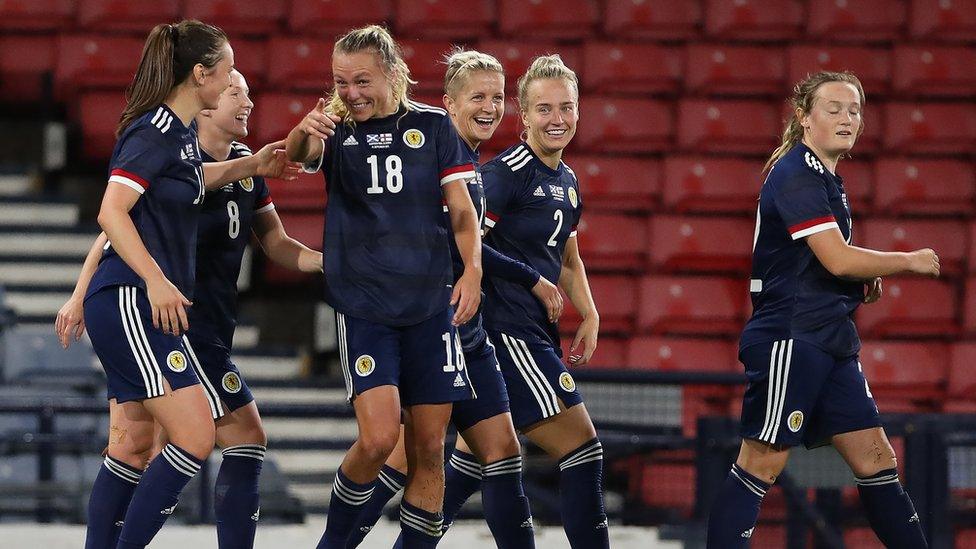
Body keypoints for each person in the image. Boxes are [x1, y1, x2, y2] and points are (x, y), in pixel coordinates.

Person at [57, 69, 320, 549]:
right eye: (233, 91)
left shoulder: (245, 163)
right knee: (243, 436)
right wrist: (79, 293)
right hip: (177, 319)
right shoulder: (174, 157)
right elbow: (114, 225)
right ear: (204, 101)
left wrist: (331, 263)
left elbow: (276, 242)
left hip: (210, 321)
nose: (245, 102)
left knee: (131, 445)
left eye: (248, 93)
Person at [704, 71, 939, 548]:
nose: (847, 118)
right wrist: (905, 262)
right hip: (792, 335)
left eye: (854, 110)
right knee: (761, 462)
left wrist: (857, 280)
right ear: (804, 118)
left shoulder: (827, 179)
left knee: (876, 458)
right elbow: (836, 256)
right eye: (833, 109)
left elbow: (823, 261)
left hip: (829, 336)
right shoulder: (796, 172)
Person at [348, 48, 564, 549]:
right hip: (431, 325)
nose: (489, 107)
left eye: (497, 97)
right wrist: (531, 277)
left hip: (467, 331)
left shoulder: (469, 161)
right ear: (448, 103)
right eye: (477, 98)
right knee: (415, 456)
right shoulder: (435, 158)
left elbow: (471, 246)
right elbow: (449, 242)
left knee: (500, 451)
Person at [284, 25, 483, 549]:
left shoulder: (435, 126)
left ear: (394, 75)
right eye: (340, 81)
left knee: (429, 447)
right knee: (377, 438)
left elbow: (462, 211)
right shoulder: (334, 130)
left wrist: (473, 270)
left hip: (429, 305)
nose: (351, 93)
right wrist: (305, 130)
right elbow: (296, 155)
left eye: (362, 80)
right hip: (365, 306)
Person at [479, 55, 609, 549]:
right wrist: (531, 280)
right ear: (523, 115)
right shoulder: (506, 174)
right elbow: (466, 246)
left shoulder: (568, 181)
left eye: (567, 107)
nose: (558, 119)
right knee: (582, 451)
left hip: (535, 330)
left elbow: (568, 255)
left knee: (478, 462)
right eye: (545, 109)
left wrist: (590, 313)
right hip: (505, 329)